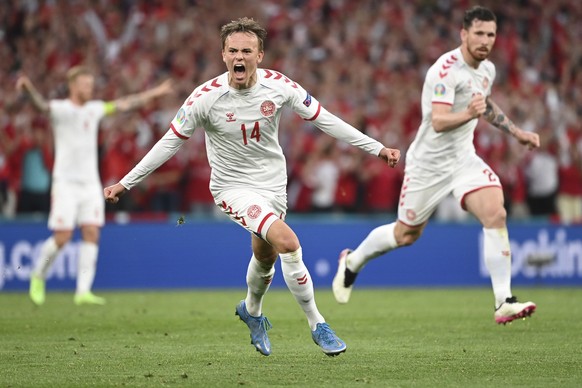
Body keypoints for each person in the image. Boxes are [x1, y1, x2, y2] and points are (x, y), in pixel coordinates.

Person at [104, 17, 400, 356]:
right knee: (288, 242)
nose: (239, 57)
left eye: (247, 50)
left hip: (273, 185)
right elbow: (169, 143)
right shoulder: (205, 97)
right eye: (233, 51)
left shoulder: (279, 86)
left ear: (260, 55)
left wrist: (377, 147)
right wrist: (127, 182)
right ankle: (318, 324)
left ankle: (252, 311)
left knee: (266, 257)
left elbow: (326, 120)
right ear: (223, 55)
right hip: (231, 188)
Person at [332, 6, 540, 325]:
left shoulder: (487, 70)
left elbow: (482, 105)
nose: (485, 41)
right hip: (427, 164)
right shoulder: (444, 70)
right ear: (464, 34)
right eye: (479, 34)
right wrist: (471, 113)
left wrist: (516, 132)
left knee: (496, 213)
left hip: (463, 160)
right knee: (405, 235)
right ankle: (352, 262)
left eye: (491, 34)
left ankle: (504, 301)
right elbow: (440, 121)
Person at [16, 66, 173, 306]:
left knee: (91, 232)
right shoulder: (60, 109)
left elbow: (124, 104)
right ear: (73, 86)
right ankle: (38, 276)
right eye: (85, 84)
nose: (90, 88)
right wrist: (28, 90)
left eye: (91, 84)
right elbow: (40, 106)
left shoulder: (95, 109)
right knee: (62, 237)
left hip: (90, 184)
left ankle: (83, 291)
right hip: (65, 183)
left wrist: (155, 93)